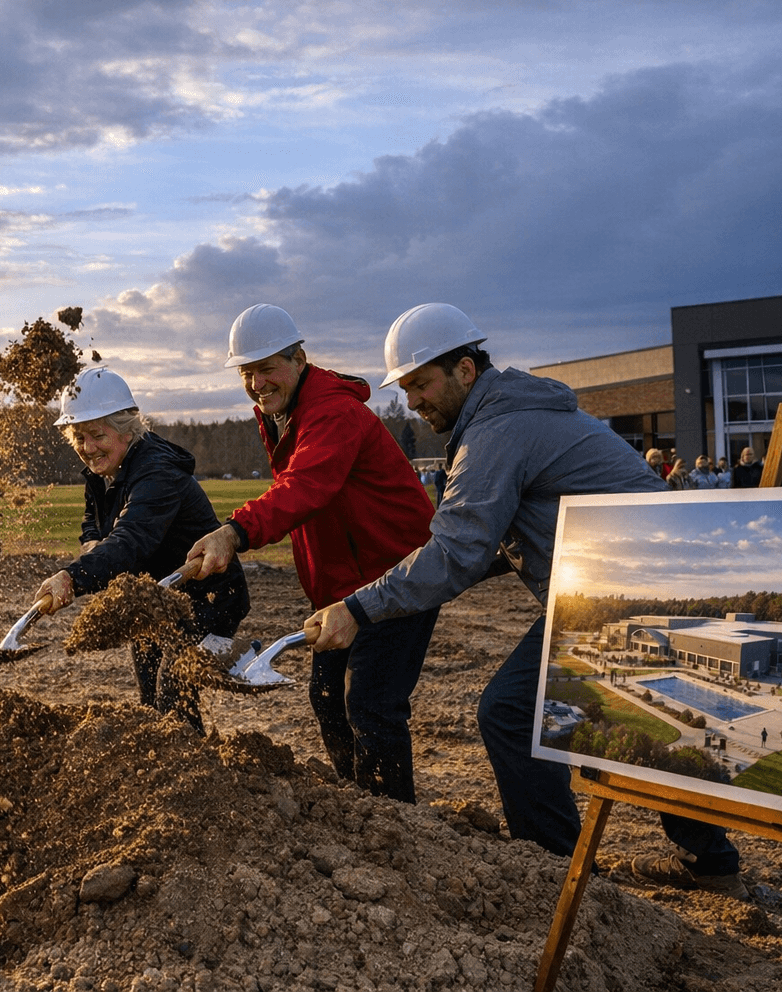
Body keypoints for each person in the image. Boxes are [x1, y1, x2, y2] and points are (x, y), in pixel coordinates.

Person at [302, 302, 747, 898]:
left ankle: (555, 874)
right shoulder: (513, 414)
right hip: (654, 577)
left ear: (465, 370)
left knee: (512, 712)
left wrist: (359, 608)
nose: (413, 402)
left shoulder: (495, 430)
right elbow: (488, 545)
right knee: (632, 705)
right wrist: (407, 584)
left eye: (421, 384)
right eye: (405, 389)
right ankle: (712, 865)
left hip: (627, 588)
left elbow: (457, 550)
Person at [185, 303, 439, 803]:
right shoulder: (284, 414)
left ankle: (396, 826)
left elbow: (306, 487)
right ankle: (357, 804)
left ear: (299, 359)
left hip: (397, 574)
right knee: (327, 699)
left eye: (268, 368)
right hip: (344, 585)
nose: (258, 384)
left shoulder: (332, 411)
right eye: (247, 372)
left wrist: (234, 532)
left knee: (370, 704)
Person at [34, 367, 250, 733]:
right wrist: (92, 545)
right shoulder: (103, 472)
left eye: (97, 435)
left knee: (173, 686)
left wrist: (73, 575)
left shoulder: (156, 473)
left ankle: (196, 774)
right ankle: (172, 768)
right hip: (153, 599)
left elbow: (131, 541)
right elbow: (94, 522)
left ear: (128, 428)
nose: (87, 448)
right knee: (152, 698)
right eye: (78, 437)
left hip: (206, 597)